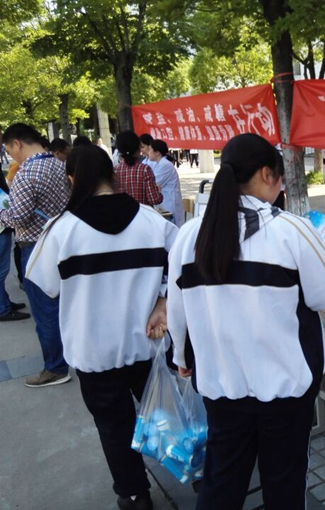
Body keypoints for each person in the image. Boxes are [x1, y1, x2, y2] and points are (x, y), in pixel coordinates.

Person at [167, 133, 325, 510]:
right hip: (285, 387)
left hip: (221, 382)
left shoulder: (189, 234)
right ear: (268, 174)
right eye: (281, 177)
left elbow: (177, 307)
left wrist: (182, 359)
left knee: (222, 478)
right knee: (283, 481)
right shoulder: (291, 230)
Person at [25, 145, 177, 510]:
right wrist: (162, 299)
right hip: (148, 343)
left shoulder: (60, 230)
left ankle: (136, 495)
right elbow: (184, 266)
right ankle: (197, 468)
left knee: (113, 426)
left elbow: (44, 284)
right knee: (166, 413)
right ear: (112, 173)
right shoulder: (152, 220)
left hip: (93, 350)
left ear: (72, 178)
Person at [0, 123, 71, 387]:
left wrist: (2, 213)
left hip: (36, 249)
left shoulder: (26, 173)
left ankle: (55, 368)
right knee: (65, 306)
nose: (10, 155)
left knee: (45, 311)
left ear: (17, 143)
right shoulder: (59, 164)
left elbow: (18, 217)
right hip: (63, 243)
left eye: (9, 149)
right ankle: (71, 355)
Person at [0, 169, 30, 321]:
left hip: (3, 224)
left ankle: (4, 303)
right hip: (1, 225)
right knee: (1, 270)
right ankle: (2, 308)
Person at [114, 131, 163, 207]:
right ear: (138, 148)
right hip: (142, 213)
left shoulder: (114, 171)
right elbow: (154, 199)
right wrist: (158, 192)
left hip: (122, 213)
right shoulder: (145, 169)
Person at [147, 139, 184, 227]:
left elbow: (154, 183)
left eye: (150, 150)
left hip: (169, 200)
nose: (148, 153)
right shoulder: (159, 164)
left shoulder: (165, 165)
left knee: (172, 227)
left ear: (157, 152)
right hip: (165, 200)